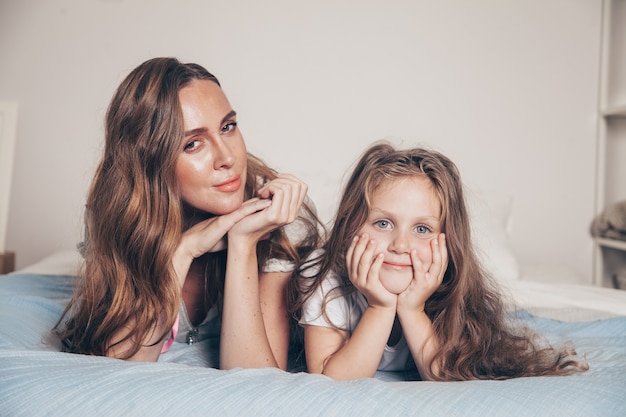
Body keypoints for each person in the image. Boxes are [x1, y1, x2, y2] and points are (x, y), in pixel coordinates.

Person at [52, 57, 321, 370]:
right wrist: (183, 250)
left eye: (228, 127)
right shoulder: (117, 217)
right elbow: (120, 368)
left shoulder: (276, 213)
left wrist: (244, 243)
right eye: (193, 144)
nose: (227, 158)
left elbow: (255, 378)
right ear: (151, 164)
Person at [288, 141, 587, 381]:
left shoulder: (448, 281)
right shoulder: (324, 273)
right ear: (351, 225)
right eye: (382, 224)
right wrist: (380, 307)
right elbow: (331, 381)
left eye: (422, 229)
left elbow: (444, 377)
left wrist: (412, 308)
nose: (401, 245)